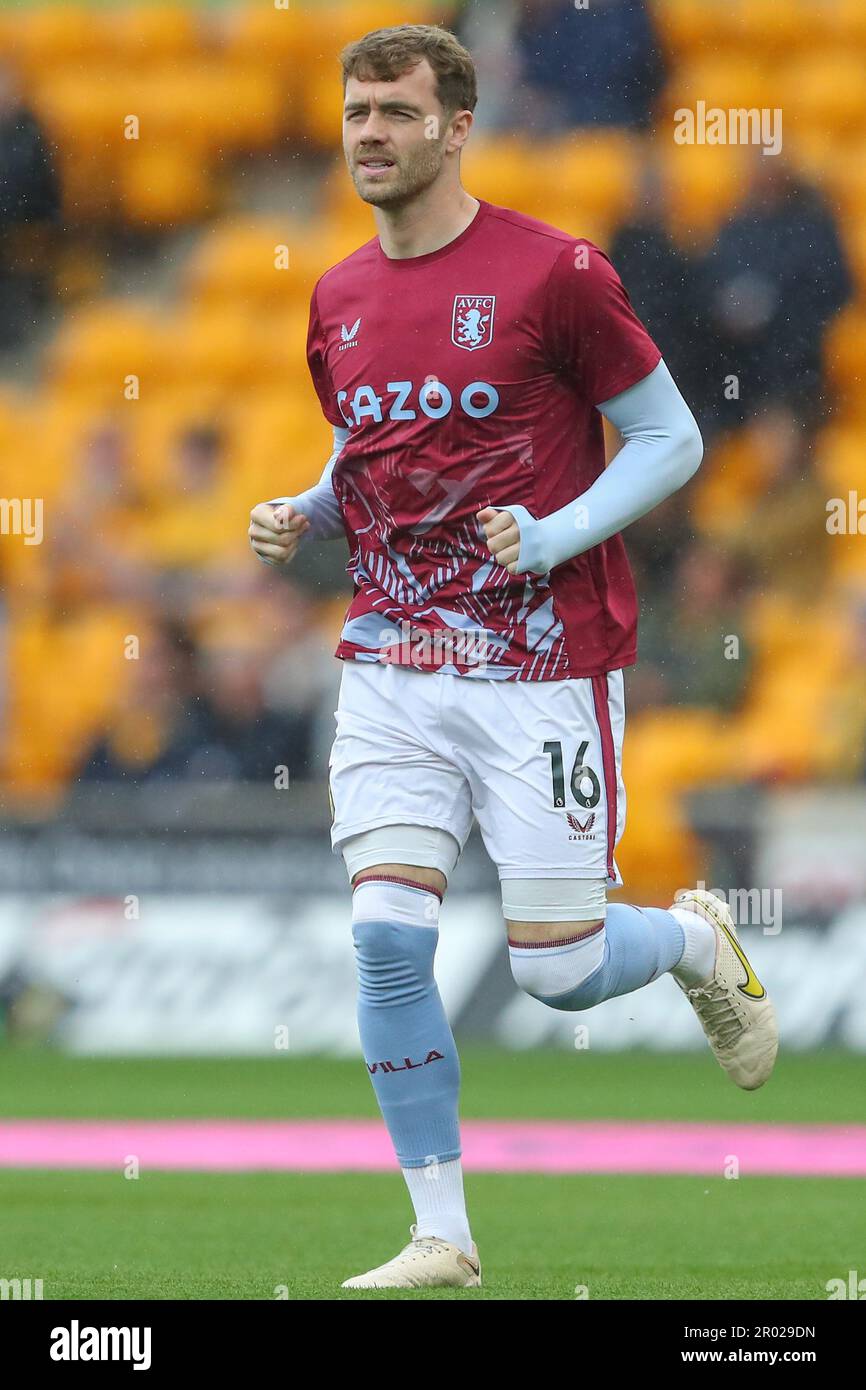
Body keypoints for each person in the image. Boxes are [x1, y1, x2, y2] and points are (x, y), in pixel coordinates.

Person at [248, 23, 778, 1291]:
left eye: (395, 111)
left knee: (557, 970)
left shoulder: (554, 274)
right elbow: (370, 449)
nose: (369, 132)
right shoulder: (335, 296)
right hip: (388, 656)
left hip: (539, 664)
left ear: (455, 126)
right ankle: (443, 1233)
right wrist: (306, 507)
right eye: (355, 110)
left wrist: (552, 532)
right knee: (385, 938)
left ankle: (697, 942)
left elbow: (666, 437)